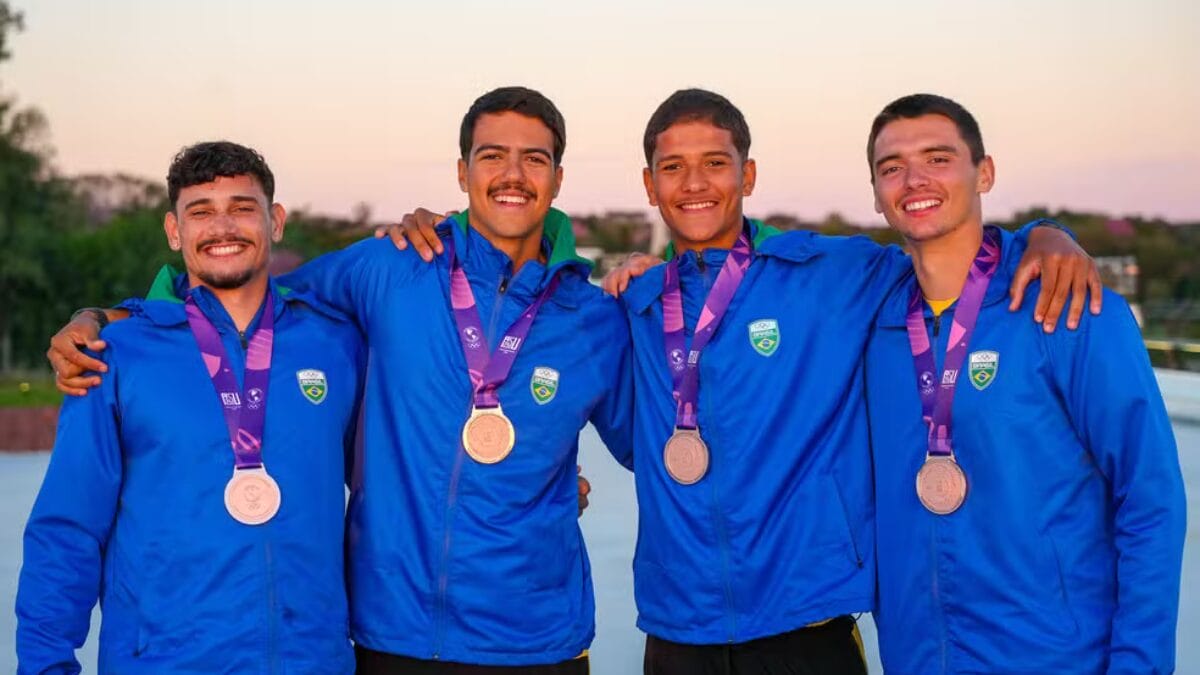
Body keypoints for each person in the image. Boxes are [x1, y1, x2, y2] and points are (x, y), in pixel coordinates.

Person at [373, 88, 1100, 675]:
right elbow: (587, 418)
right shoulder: (633, 306)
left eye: (715, 163)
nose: (695, 184)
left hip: (805, 628)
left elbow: (946, 246)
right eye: (673, 167)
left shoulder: (830, 276)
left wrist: (1044, 234)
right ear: (650, 185)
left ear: (747, 176)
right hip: (676, 631)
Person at [45, 87, 631, 672]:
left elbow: (648, 445)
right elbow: (246, 293)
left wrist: (653, 279)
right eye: (492, 155)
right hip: (395, 638)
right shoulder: (390, 267)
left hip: (537, 639)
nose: (512, 174)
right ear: (462, 171)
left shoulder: (596, 318)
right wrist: (108, 317)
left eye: (534, 158)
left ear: (558, 178)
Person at [863, 93, 1186, 673]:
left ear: (984, 173)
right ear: (877, 194)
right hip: (916, 658)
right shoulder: (869, 320)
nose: (914, 180)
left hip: (1055, 658)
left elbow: (1150, 498)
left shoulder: (1070, 309)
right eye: (892, 167)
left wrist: (1139, 665)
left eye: (938, 158)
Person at [17, 141, 364, 673]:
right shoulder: (117, 354)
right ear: (174, 231)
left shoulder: (335, 344)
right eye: (200, 212)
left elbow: (380, 497)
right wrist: (45, 665)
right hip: (165, 660)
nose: (223, 228)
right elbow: (69, 529)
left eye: (242, 208)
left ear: (275, 221)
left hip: (310, 659)